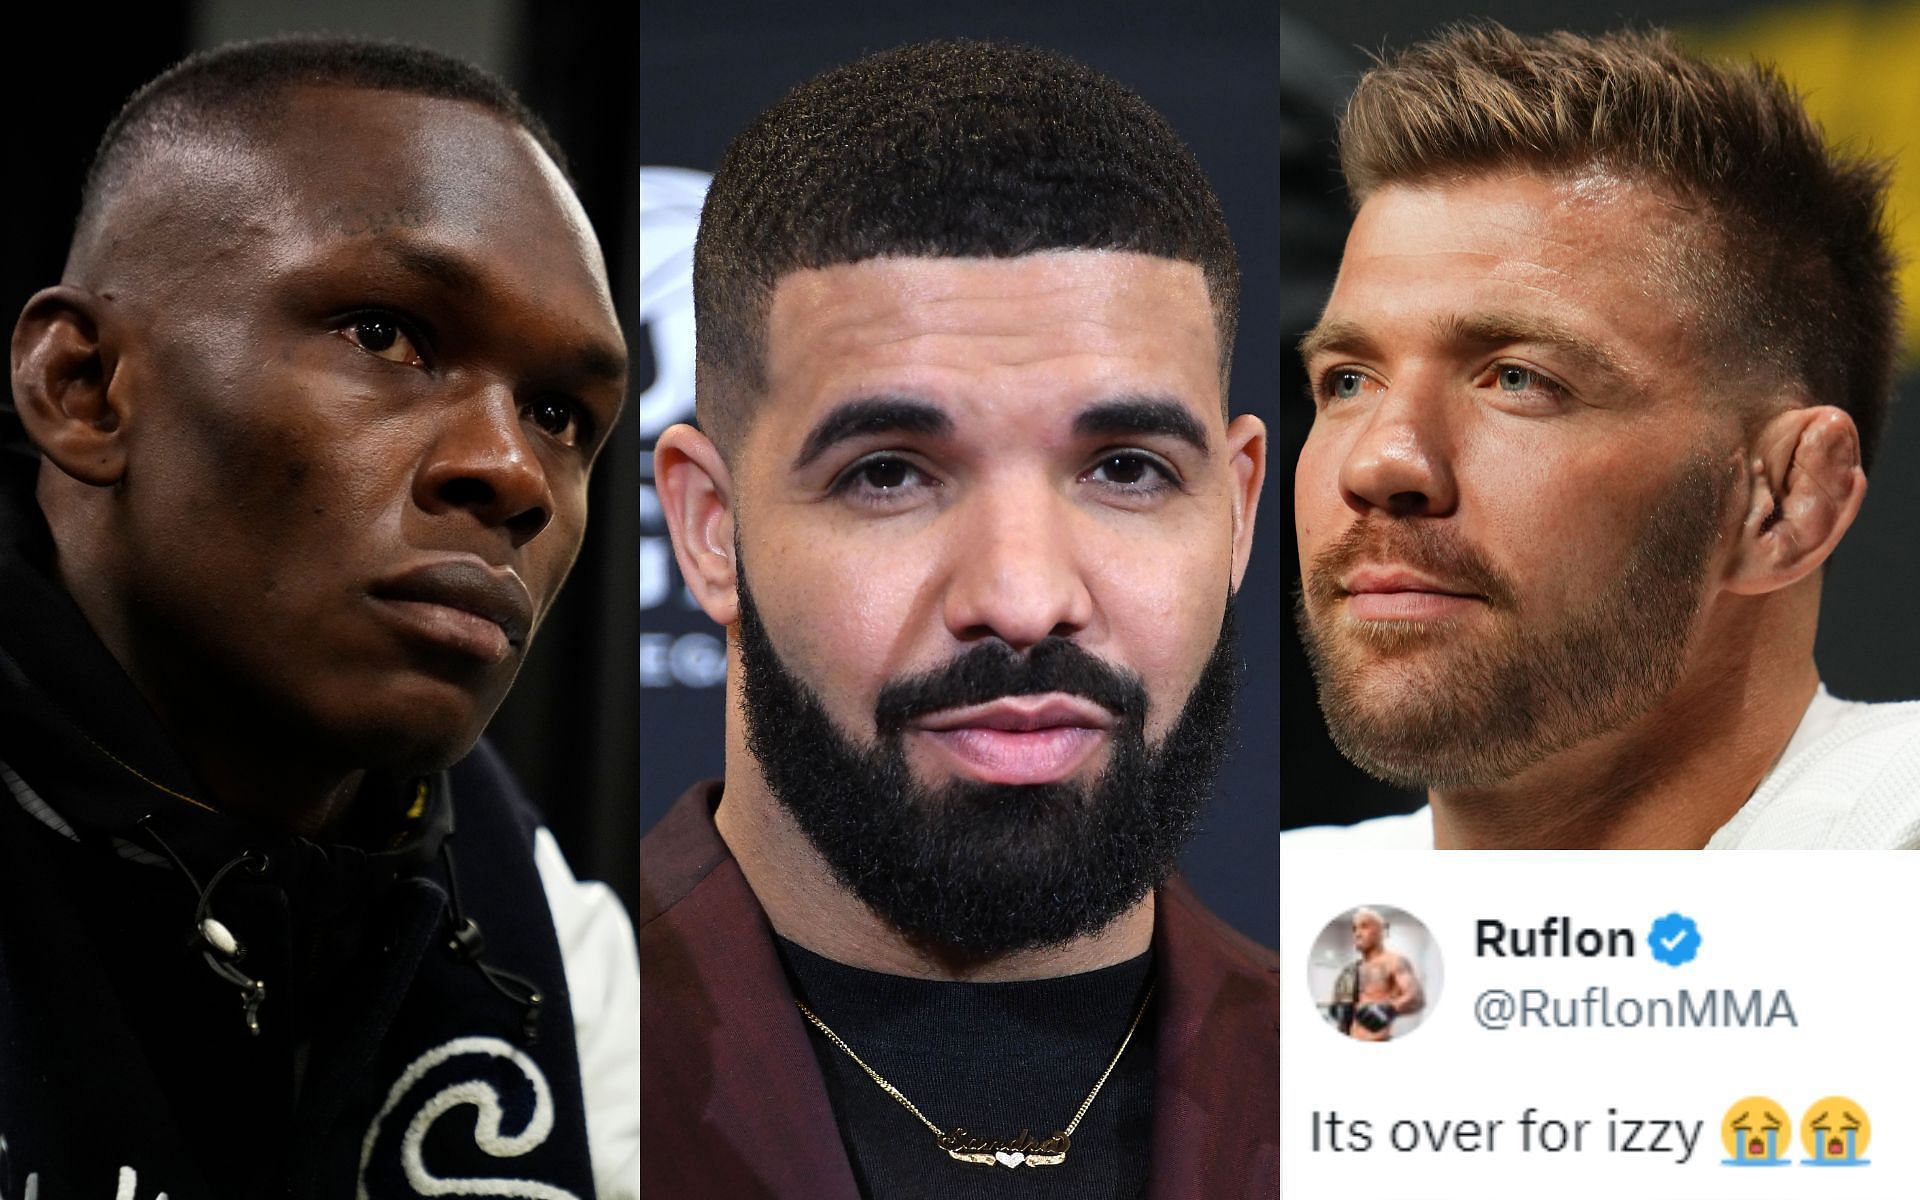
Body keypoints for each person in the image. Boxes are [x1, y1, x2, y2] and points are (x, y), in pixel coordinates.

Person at [0, 38, 637, 1198]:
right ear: (83, 389)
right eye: (385, 335)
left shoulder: (547, 932)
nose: (512, 472)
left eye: (557, 412)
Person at [642, 39, 1277, 1198]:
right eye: (889, 474)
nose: (1024, 599)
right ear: (709, 528)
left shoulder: (1401, 1109)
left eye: (1127, 469)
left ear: (1236, 515)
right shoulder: (542, 1063)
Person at [1286, 23, 1920, 851]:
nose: (1379, 462)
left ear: (1787, 499)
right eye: (1347, 381)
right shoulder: (1280, 927)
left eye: (1519, 380)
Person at [1324, 908, 1422, 1042]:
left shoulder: (1395, 961)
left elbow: (1416, 998)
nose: (1357, 933)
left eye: (1364, 926)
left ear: (1381, 931)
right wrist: (1340, 1013)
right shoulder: (1354, 968)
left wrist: (1390, 1008)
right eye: (1354, 929)